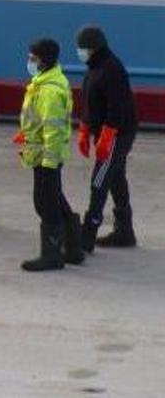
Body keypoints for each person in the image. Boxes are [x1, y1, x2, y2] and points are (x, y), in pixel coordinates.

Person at [14, 38, 83, 272]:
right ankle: (74, 247)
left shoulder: (49, 90)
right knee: (55, 197)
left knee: (45, 202)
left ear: (44, 60)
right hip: (41, 152)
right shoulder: (46, 81)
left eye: (33, 57)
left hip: (46, 155)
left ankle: (52, 254)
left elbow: (52, 128)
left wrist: (48, 160)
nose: (29, 61)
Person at [75, 25, 139, 251]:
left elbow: (117, 106)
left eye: (83, 48)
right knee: (116, 178)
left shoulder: (111, 69)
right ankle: (125, 231)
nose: (80, 52)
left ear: (94, 48)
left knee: (99, 180)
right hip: (104, 132)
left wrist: (108, 135)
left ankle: (87, 235)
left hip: (117, 134)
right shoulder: (93, 67)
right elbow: (89, 102)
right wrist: (84, 128)